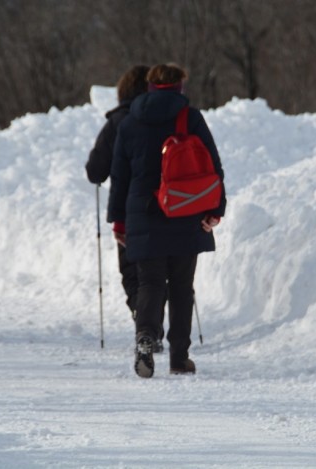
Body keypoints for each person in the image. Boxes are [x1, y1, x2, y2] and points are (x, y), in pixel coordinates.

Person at [107, 64, 226, 378]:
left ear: (150, 86)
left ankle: (145, 336)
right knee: (182, 287)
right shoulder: (190, 118)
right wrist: (216, 210)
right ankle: (178, 358)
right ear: (179, 86)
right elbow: (213, 167)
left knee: (150, 282)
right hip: (186, 211)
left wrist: (118, 222)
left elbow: (119, 177)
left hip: (144, 215)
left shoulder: (130, 121)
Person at [85, 65, 167, 353]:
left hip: (131, 210)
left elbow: (96, 171)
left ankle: (144, 323)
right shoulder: (169, 117)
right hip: (171, 205)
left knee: (134, 272)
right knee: (163, 270)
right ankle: (155, 324)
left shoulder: (117, 122)